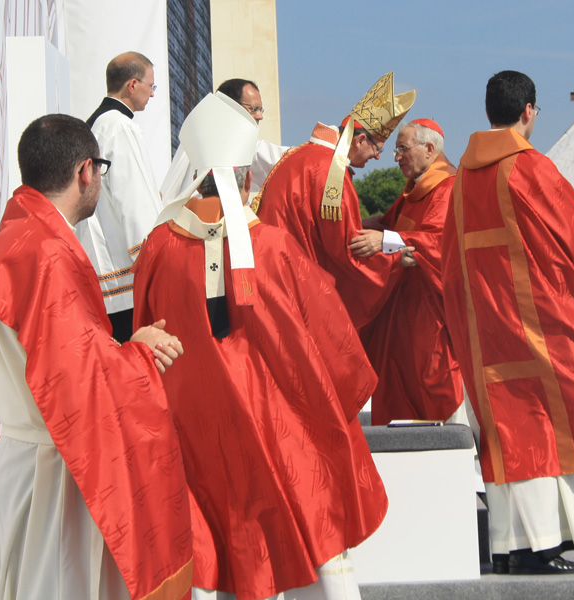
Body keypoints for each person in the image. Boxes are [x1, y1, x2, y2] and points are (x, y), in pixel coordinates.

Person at [133, 93, 387, 600]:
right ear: (245, 178)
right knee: (307, 511)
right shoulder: (270, 246)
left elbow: (146, 331)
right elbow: (328, 335)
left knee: (215, 536)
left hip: (197, 425)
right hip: (278, 421)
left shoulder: (158, 246)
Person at [0, 114, 194, 600]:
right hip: (52, 483)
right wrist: (139, 353)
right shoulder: (50, 254)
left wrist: (119, 350)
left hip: (19, 466)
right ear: (86, 170)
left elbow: (57, 358)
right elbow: (79, 381)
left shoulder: (17, 236)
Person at [441, 70, 574, 575]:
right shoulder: (532, 170)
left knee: (514, 436)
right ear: (529, 112)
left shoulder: (459, 184)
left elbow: (450, 262)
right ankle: (560, 539)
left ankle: (519, 544)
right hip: (544, 328)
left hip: (488, 338)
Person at [255, 72, 417, 328]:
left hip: (271, 275)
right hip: (295, 289)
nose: (377, 157)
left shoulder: (305, 155)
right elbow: (348, 252)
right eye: (379, 149)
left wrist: (360, 221)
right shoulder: (331, 174)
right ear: (361, 139)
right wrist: (395, 258)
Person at [348, 118, 464, 425]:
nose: (396, 157)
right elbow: (388, 223)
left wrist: (382, 241)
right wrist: (346, 224)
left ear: (429, 149)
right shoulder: (414, 188)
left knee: (436, 382)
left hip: (432, 315)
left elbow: (440, 242)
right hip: (404, 313)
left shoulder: (447, 187)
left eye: (402, 149)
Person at [78, 51, 163, 342]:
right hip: (124, 274)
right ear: (132, 84)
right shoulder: (119, 126)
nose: (152, 94)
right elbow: (134, 200)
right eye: (151, 87)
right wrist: (155, 260)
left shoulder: (98, 123)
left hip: (105, 269)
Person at [160, 78, 287, 204]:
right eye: (253, 109)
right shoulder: (226, 142)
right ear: (231, 107)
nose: (260, 116)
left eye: (260, 110)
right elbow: (279, 158)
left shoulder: (199, 136)